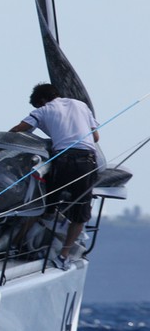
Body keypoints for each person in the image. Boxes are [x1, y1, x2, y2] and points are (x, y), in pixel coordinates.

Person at [9, 82, 100, 268]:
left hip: (63, 161)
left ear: (41, 100)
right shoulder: (81, 105)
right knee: (80, 214)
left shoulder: (43, 111)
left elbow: (18, 130)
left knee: (43, 206)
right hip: (88, 161)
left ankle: (16, 245)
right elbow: (95, 137)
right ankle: (64, 255)